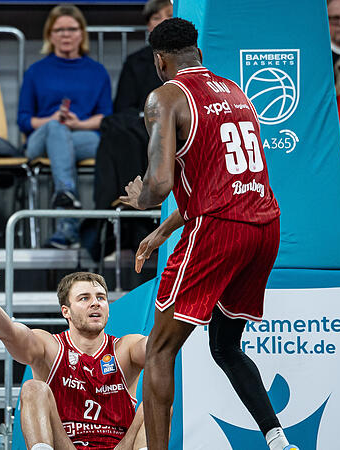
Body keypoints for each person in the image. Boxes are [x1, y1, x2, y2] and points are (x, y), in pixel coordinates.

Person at [118, 19, 297, 450]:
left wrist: (142, 199)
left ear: (159, 60)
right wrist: (163, 231)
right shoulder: (237, 92)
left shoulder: (164, 97)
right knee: (225, 345)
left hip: (218, 230)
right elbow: (220, 181)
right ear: (197, 51)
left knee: (159, 350)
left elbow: (159, 183)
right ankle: (278, 440)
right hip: (263, 226)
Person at [0, 268, 149, 449]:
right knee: (33, 388)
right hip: (65, 445)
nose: (95, 303)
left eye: (101, 297)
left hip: (119, 447)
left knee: (157, 402)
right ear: (66, 311)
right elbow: (9, 333)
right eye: (84, 298)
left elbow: (159, 347)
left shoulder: (125, 348)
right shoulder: (51, 346)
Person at [18, 3, 112, 249]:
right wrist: (53, 121)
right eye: (59, 30)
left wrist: (78, 123)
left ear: (82, 33)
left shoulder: (97, 72)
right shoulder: (36, 72)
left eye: (72, 29)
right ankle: (67, 192)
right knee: (57, 130)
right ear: (50, 35)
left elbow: (106, 117)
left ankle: (67, 225)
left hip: (83, 137)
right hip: (40, 140)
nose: (66, 35)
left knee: (75, 141)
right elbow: (24, 120)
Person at [86, 0, 171, 260]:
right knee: (117, 130)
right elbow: (123, 107)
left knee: (126, 135)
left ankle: (123, 218)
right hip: (141, 126)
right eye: (157, 17)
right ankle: (125, 218)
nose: (163, 21)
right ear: (148, 26)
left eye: (169, 16)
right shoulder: (135, 62)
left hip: (174, 128)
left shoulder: (190, 59)